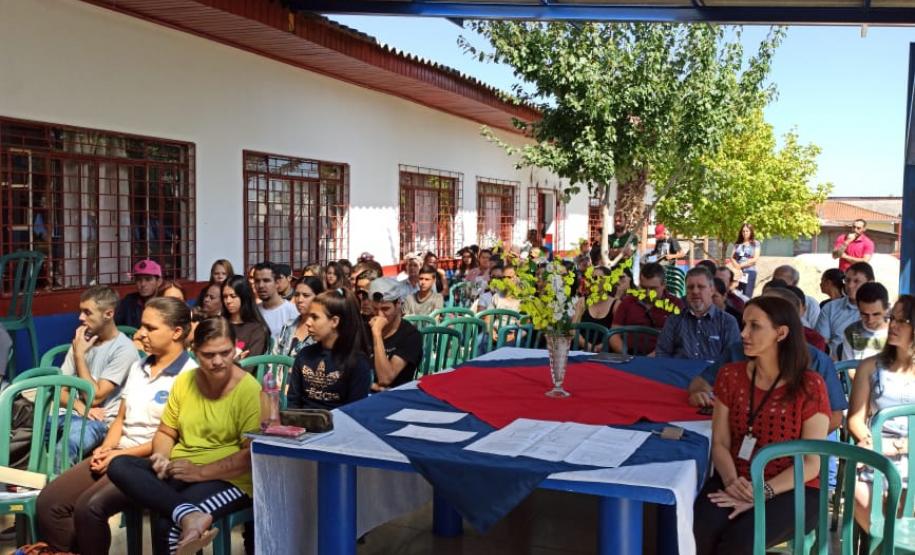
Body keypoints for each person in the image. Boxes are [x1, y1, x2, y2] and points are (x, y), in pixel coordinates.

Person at [36, 298, 196, 555]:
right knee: (49, 503)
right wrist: (106, 448)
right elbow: (121, 418)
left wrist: (118, 456)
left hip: (150, 463)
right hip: (116, 452)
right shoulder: (139, 367)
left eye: (150, 328)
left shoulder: (189, 375)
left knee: (89, 508)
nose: (141, 333)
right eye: (142, 326)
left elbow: (172, 439)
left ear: (177, 332)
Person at [106, 317, 261, 555]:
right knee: (119, 464)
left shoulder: (249, 390)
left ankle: (185, 515)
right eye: (209, 355)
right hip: (182, 469)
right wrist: (161, 457)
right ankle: (190, 514)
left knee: (168, 527)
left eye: (225, 353)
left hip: (230, 479)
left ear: (235, 350)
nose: (218, 361)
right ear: (195, 352)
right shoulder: (185, 381)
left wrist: (199, 472)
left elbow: (249, 456)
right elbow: (167, 432)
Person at [693, 296, 831, 554]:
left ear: (781, 333)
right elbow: (720, 442)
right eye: (744, 324)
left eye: (754, 326)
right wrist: (733, 482)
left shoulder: (810, 385)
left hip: (793, 487)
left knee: (741, 541)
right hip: (735, 477)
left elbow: (811, 463)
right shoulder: (730, 376)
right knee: (700, 529)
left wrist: (760, 493)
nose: (744, 333)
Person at [686, 288, 846, 435]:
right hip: (738, 441)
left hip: (798, 450)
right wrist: (699, 394)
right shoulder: (737, 351)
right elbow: (701, 382)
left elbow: (835, 417)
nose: (744, 333)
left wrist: (786, 444)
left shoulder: (817, 362)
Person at [847, 295, 915, 532]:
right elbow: (855, 418)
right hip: (876, 446)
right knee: (857, 489)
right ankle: (884, 545)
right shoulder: (871, 366)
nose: (893, 325)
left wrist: (893, 446)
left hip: (908, 448)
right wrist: (870, 442)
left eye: (903, 320)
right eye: (892, 318)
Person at [56, 286, 140, 466]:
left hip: (100, 423)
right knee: (16, 426)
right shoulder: (81, 342)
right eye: (81, 311)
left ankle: (53, 492)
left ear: (108, 314)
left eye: (87, 312)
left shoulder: (124, 349)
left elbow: (94, 398)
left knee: (67, 444)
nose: (80, 318)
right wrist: (79, 406)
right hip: (69, 413)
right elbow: (59, 390)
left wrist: (79, 356)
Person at [286, 289, 372, 409]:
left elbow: (355, 411)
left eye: (314, 317)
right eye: (308, 316)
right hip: (302, 423)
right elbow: (293, 401)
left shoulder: (357, 362)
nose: (308, 323)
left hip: (339, 425)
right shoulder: (304, 354)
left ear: (334, 321)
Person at [655, 268, 740, 361]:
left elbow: (733, 359)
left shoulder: (727, 322)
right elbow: (662, 353)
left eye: (701, 287)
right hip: (678, 373)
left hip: (713, 374)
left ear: (711, 290)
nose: (695, 291)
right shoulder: (674, 320)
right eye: (690, 287)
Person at [610, 262, 685, 355]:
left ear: (664, 285)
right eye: (644, 288)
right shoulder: (627, 302)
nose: (648, 293)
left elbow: (678, 340)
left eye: (653, 288)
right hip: (629, 356)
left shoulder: (675, 304)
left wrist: (652, 357)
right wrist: (626, 354)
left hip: (661, 359)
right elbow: (614, 334)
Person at [368, 278, 423, 390]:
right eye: (375, 309)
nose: (379, 315)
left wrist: (377, 334)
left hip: (395, 398)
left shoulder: (410, 335)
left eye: (385, 309)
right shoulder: (364, 328)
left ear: (398, 303)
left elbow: (385, 379)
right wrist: (372, 385)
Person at [816, 262, 875, 358]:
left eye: (856, 281)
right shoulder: (830, 308)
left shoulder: (881, 312)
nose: (850, 285)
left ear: (870, 283)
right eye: (847, 280)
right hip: (836, 368)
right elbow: (821, 343)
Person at [274, 276, 324, 359]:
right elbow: (274, 357)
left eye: (306, 295)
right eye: (297, 295)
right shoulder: (288, 325)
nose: (300, 300)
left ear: (318, 297)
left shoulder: (323, 330)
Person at [222, 275, 269, 358]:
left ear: (244, 297)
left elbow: (250, 364)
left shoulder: (257, 330)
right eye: (225, 297)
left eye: (233, 296)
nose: (228, 301)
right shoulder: (220, 324)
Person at [840, 281, 889, 362]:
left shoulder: (896, 333)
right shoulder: (851, 332)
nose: (870, 320)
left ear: (886, 309)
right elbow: (848, 369)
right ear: (858, 309)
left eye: (876, 314)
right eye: (864, 314)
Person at [253, 262, 299, 340]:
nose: (261, 285)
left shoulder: (293, 312)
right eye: (257, 281)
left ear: (277, 283)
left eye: (266, 280)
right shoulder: (252, 312)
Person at [115, 259, 163, 328]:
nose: (143, 284)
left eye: (148, 279)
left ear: (159, 282)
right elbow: (116, 324)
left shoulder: (165, 303)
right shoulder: (128, 301)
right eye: (139, 280)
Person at [770, 265, 821, 329]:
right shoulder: (768, 300)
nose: (777, 283)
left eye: (782, 281)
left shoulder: (810, 303)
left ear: (795, 283)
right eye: (774, 279)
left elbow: (816, 330)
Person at [731, 223, 761, 298]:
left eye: (747, 231)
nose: (745, 233)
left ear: (751, 232)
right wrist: (737, 267)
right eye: (743, 231)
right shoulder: (738, 244)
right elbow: (732, 257)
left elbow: (755, 259)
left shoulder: (755, 243)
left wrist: (741, 265)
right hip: (738, 272)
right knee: (737, 294)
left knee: (746, 295)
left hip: (749, 272)